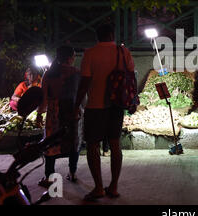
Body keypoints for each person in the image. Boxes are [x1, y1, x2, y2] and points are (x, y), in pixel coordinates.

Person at [74, 23, 135, 201]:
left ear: (97, 36)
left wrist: (77, 104)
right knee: (115, 144)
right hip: (116, 105)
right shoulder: (123, 51)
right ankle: (114, 186)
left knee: (93, 145)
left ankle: (99, 187)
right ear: (111, 34)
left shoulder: (90, 53)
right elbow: (131, 76)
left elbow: (84, 82)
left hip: (95, 106)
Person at [36, 46, 82, 187]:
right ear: (69, 58)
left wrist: (39, 114)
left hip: (54, 112)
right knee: (74, 142)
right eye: (74, 56)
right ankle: (73, 173)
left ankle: (49, 177)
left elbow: (43, 99)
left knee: (50, 143)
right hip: (73, 111)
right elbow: (82, 95)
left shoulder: (48, 74)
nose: (74, 59)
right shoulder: (76, 73)